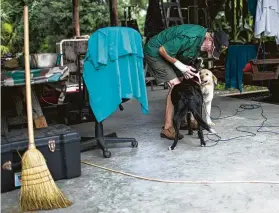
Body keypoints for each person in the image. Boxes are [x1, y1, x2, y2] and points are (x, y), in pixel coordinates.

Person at [144, 24, 229, 140]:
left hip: (170, 54)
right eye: (212, 48)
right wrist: (181, 66)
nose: (210, 51)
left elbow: (185, 54)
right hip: (156, 52)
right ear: (209, 38)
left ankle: (183, 120)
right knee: (176, 85)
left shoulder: (200, 40)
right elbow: (162, 50)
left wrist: (188, 70)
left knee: (185, 82)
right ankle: (167, 128)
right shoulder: (190, 37)